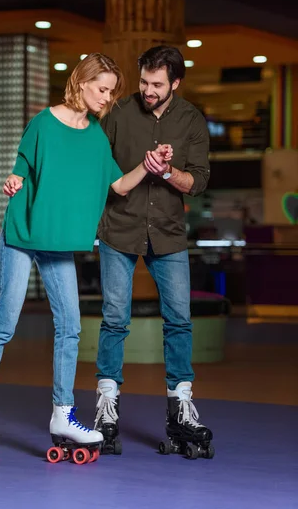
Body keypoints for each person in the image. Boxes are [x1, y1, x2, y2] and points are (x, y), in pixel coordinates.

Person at [0, 53, 173, 458]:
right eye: (102, 89)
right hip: (23, 235)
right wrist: (12, 179)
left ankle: (63, 413)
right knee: (5, 322)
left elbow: (120, 185)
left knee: (71, 327)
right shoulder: (43, 122)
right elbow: (20, 166)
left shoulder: (95, 136)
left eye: (112, 92)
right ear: (82, 81)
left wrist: (149, 165)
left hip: (58, 246)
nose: (107, 98)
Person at [93, 45, 214, 457]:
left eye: (157, 84)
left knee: (179, 321)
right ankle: (106, 412)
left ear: (175, 83)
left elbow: (197, 181)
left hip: (167, 234)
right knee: (114, 320)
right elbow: (98, 165)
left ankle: (181, 407)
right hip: (119, 230)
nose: (147, 90)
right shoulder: (119, 113)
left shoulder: (191, 120)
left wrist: (168, 172)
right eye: (144, 81)